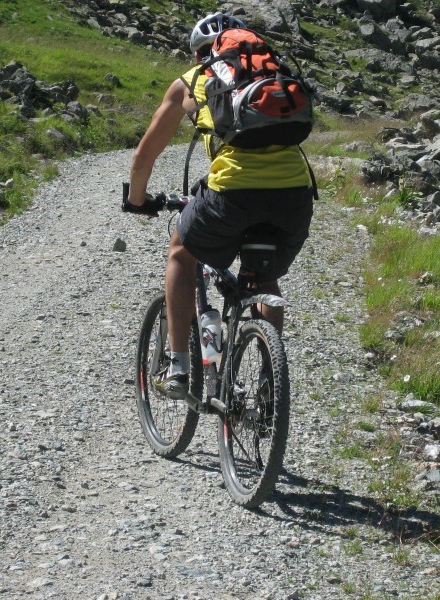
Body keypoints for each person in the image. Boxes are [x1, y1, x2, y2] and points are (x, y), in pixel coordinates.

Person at [126, 12, 315, 400]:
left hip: (233, 192)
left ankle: (178, 367)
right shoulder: (271, 77)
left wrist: (137, 199)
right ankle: (269, 381)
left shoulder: (193, 81)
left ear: (203, 54)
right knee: (263, 278)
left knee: (181, 250)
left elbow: (147, 152)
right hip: (295, 195)